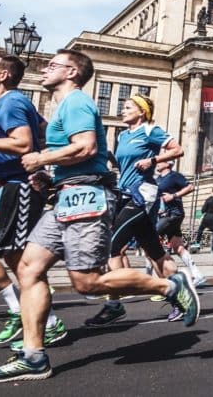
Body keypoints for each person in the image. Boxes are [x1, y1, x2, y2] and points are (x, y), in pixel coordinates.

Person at [0, 49, 198, 383]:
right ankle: (34, 356)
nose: (45, 68)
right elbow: (84, 158)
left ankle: (170, 285)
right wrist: (50, 175)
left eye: (52, 64)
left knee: (88, 282)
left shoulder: (77, 101)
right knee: (28, 267)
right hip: (66, 194)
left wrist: (41, 159)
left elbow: (86, 147)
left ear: (71, 72)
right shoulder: (63, 107)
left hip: (87, 198)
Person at [0, 56, 66, 343]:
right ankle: (18, 307)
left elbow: (23, 143)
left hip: (16, 189)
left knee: (20, 258)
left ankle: (49, 321)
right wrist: (44, 162)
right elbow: (45, 133)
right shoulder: (9, 104)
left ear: (4, 74)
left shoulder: (11, 102)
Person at [86, 95, 186, 327]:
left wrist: (153, 160)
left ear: (141, 112)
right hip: (125, 194)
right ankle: (181, 296)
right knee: (154, 251)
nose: (123, 110)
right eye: (122, 106)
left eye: (128, 107)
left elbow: (178, 149)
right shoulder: (123, 135)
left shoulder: (150, 130)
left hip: (143, 194)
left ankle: (114, 304)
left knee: (113, 245)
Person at [153, 161, 205, 298]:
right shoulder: (158, 179)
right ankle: (197, 274)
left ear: (168, 164)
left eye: (159, 162)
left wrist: (174, 196)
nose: (156, 163)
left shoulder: (174, 176)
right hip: (165, 214)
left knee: (150, 241)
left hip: (173, 214)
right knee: (178, 247)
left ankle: (165, 281)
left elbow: (191, 187)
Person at [194, 186, 213, 253]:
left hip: (207, 217)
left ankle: (197, 245)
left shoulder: (209, 199)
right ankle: (212, 250)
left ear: (212, 191)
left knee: (200, 230)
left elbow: (203, 210)